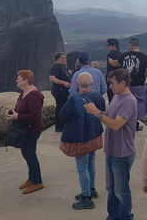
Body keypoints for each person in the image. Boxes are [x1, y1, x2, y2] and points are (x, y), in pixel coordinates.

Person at [84, 69, 137, 220]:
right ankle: (113, 216)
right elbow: (111, 116)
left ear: (123, 83)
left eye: (112, 83)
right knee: (111, 189)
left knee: (121, 190)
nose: (110, 87)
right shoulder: (117, 97)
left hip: (122, 152)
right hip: (112, 150)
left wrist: (97, 113)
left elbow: (115, 125)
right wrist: (97, 111)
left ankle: (126, 217)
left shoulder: (128, 101)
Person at [59, 72, 105, 210]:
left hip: (80, 138)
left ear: (77, 84)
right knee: (91, 162)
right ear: (91, 84)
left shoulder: (73, 99)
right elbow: (102, 111)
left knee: (82, 167)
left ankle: (87, 198)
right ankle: (91, 189)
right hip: (94, 135)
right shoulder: (97, 96)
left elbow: (62, 116)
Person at [5, 70, 45, 194]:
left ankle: (37, 182)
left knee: (30, 155)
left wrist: (17, 117)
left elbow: (35, 116)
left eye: (18, 78)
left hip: (31, 130)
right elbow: (21, 109)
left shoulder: (34, 96)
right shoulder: (23, 93)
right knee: (26, 153)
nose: (16, 80)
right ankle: (31, 178)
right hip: (25, 129)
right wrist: (12, 113)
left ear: (25, 81)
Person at [108, 37, 147, 131]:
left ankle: (122, 122)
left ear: (131, 45)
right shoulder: (144, 57)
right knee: (137, 105)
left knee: (124, 103)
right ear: (138, 45)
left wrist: (110, 61)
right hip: (139, 86)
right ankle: (134, 124)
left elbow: (115, 64)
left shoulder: (124, 55)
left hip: (125, 85)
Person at [49, 52, 71, 132]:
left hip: (63, 91)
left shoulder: (63, 67)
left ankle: (62, 124)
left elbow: (71, 72)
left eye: (65, 58)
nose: (65, 60)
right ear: (57, 59)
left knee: (63, 107)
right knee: (60, 108)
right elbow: (52, 78)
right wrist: (63, 82)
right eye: (63, 58)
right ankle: (59, 126)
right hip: (59, 91)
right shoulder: (55, 67)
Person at [106, 38, 122, 103]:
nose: (108, 47)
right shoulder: (121, 54)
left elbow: (109, 68)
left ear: (114, 45)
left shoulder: (109, 55)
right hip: (120, 77)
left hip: (112, 78)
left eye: (109, 45)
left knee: (111, 97)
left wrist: (108, 78)